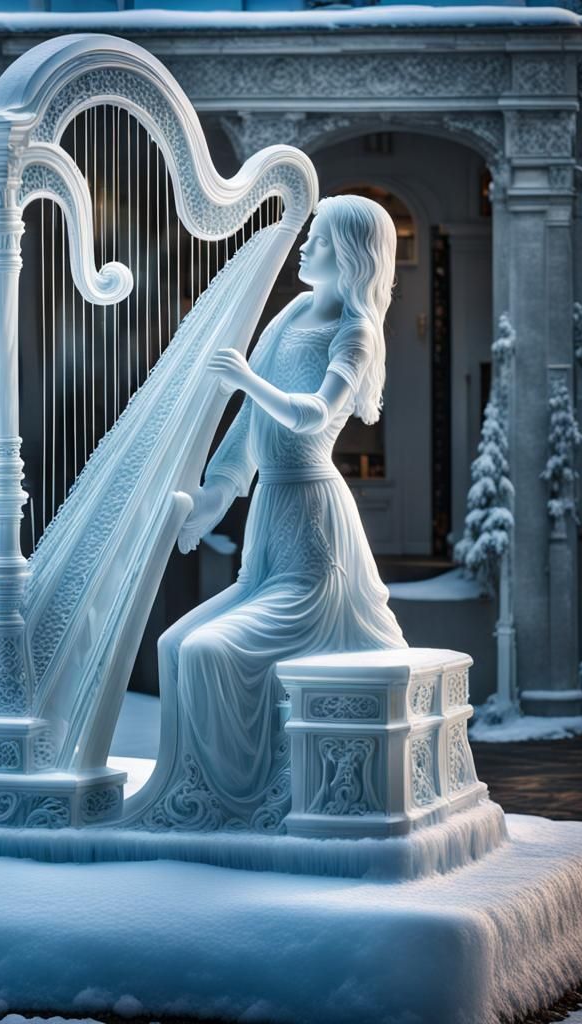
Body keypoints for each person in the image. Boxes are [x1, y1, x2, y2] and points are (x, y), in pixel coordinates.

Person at [135, 194, 406, 833]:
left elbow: (313, 414)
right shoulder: (290, 315)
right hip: (269, 521)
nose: (305, 246)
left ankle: (242, 797)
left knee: (210, 652)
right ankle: (198, 793)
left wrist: (247, 381)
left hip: (313, 536)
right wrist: (211, 502)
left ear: (352, 254)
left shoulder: (356, 332)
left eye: (320, 238)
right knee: (174, 645)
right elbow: (246, 436)